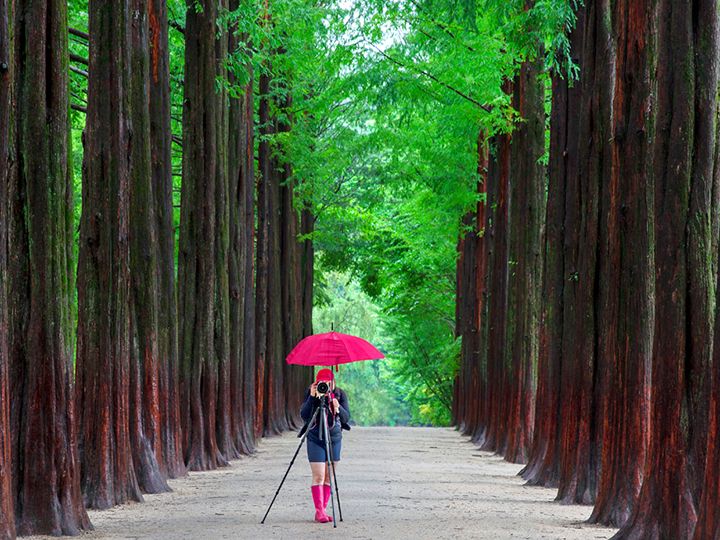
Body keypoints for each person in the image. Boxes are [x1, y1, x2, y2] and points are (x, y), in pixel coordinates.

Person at [300, 368, 350, 523]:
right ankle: (319, 511)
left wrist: (337, 407)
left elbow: (346, 418)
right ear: (316, 383)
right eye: (321, 383)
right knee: (319, 476)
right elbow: (304, 415)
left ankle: (323, 509)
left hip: (334, 438)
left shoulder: (340, 395)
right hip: (315, 438)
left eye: (327, 383)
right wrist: (313, 399)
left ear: (333, 383)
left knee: (329, 476)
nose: (325, 386)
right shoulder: (311, 393)